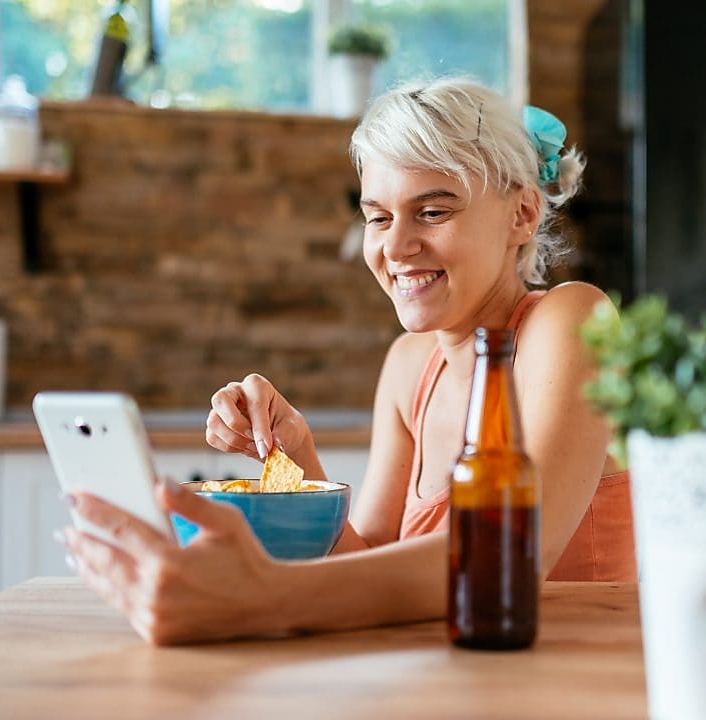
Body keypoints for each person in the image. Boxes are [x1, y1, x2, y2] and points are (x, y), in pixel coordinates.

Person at [59, 78, 634, 645]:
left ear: (523, 214)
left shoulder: (572, 321)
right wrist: (300, 462)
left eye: (432, 212)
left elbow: (510, 555)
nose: (396, 245)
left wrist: (254, 599)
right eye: (378, 217)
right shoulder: (410, 368)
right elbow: (380, 578)